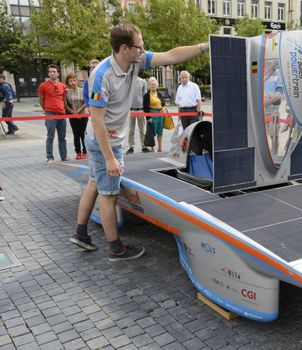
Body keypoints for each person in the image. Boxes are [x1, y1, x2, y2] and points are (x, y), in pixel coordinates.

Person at [70, 23, 209, 261]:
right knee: (109, 195)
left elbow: (171, 56)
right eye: (139, 45)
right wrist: (110, 158)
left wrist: (204, 47)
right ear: (125, 48)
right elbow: (97, 119)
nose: (143, 50)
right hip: (104, 141)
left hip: (105, 138)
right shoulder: (102, 75)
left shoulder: (135, 61)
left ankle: (80, 233)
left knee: (94, 183)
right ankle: (115, 249)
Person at [38, 64, 69, 163]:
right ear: (48, 73)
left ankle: (64, 156)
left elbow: (64, 100)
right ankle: (50, 157)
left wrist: (65, 111)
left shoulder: (62, 86)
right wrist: (45, 109)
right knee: (50, 136)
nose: (52, 73)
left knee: (62, 137)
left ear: (58, 73)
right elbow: (41, 99)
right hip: (50, 113)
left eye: (54, 71)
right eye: (50, 71)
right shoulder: (43, 86)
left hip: (61, 114)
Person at [64, 73, 88, 160]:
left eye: (74, 80)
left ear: (77, 81)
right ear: (68, 82)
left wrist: (78, 112)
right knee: (76, 134)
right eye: (71, 81)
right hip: (72, 115)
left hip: (83, 114)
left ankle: (85, 152)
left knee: (83, 134)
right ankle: (78, 153)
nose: (73, 82)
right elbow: (66, 105)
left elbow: (85, 102)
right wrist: (73, 113)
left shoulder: (82, 90)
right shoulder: (66, 92)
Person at [143, 77, 167, 152]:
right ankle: (152, 147)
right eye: (152, 84)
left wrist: (164, 108)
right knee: (151, 132)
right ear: (149, 86)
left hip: (160, 115)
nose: (153, 86)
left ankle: (160, 147)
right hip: (151, 115)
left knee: (160, 132)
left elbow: (164, 104)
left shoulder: (159, 94)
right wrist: (148, 118)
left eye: (154, 84)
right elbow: (145, 108)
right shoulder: (146, 95)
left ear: (157, 85)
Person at [127, 76, 148, 154]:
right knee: (130, 130)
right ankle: (131, 146)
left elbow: (145, 96)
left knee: (142, 129)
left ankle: (144, 146)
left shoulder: (143, 81)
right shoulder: (128, 81)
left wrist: (144, 108)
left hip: (140, 109)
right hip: (131, 109)